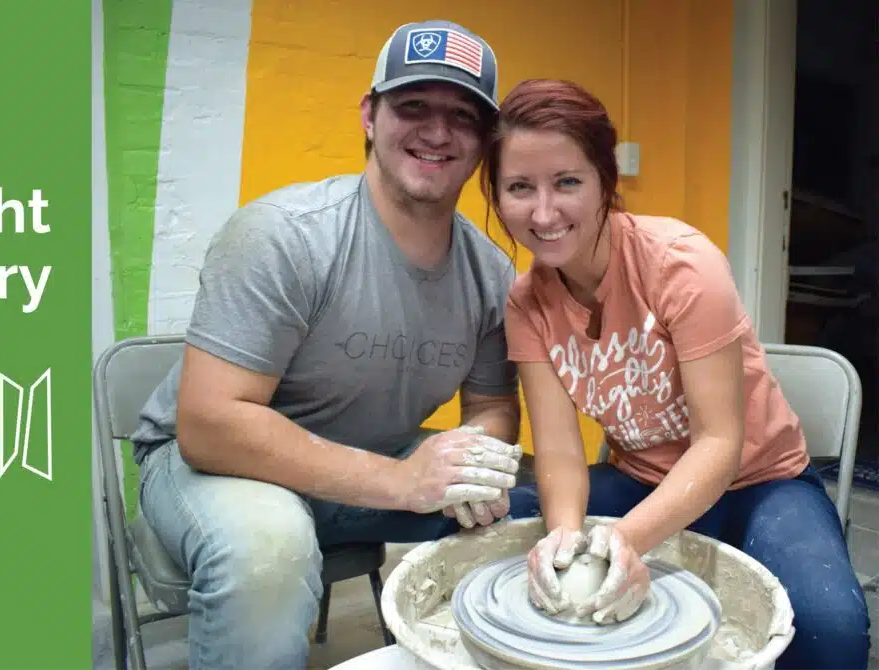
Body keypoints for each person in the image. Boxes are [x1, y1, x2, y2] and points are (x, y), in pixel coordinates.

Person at [128, 19, 530, 670]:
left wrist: (473, 458)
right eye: (413, 106)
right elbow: (209, 426)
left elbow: (491, 406)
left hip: (369, 453)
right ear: (370, 115)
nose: (437, 132)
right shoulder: (285, 236)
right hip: (214, 465)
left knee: (527, 513)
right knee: (269, 552)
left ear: (486, 140)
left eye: (463, 116)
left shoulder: (490, 274)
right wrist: (403, 480)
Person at [484, 78, 871, 668]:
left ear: (605, 179)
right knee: (494, 528)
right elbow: (559, 451)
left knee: (830, 630)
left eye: (567, 182)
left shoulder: (680, 265)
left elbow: (719, 442)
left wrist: (627, 540)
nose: (543, 212)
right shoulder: (526, 304)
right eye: (519, 187)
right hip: (641, 478)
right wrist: (563, 541)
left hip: (760, 483)